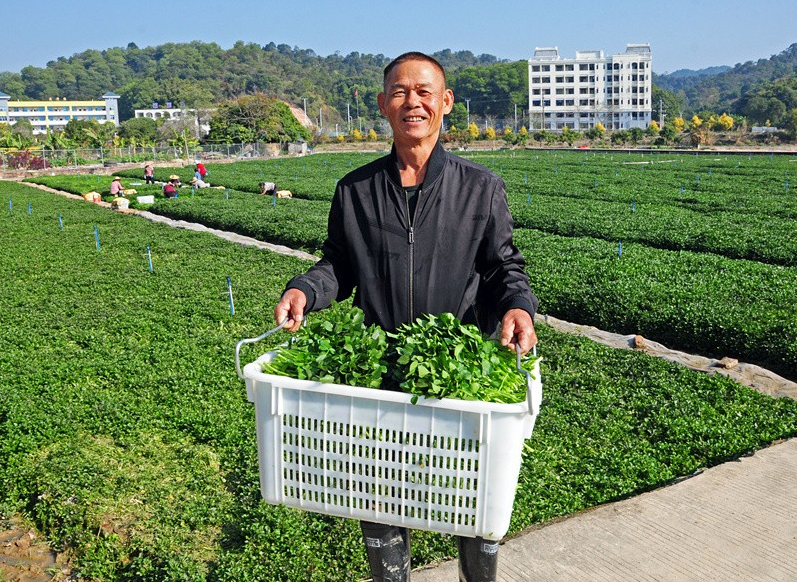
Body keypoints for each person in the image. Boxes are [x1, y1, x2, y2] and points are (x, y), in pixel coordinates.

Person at [273, 52, 538, 582]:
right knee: (383, 498)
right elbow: (340, 264)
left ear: (445, 104)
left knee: (473, 503)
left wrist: (517, 306)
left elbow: (502, 266)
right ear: (382, 105)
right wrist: (305, 289)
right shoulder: (355, 190)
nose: (411, 102)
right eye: (399, 92)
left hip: (462, 372)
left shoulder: (479, 188)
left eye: (423, 92)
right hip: (383, 375)